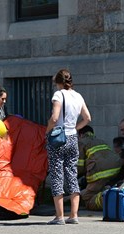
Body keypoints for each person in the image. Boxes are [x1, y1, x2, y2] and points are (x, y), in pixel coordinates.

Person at [45, 68, 92, 225]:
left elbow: (55, 117)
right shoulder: (78, 96)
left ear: (58, 82)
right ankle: (74, 215)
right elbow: (87, 118)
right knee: (72, 173)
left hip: (58, 137)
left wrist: (47, 130)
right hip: (72, 137)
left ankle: (59, 216)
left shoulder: (58, 95)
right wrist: (75, 129)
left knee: (57, 173)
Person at [76, 126, 122, 211]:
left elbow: (80, 165)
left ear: (81, 134)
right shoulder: (101, 141)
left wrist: (74, 176)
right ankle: (110, 192)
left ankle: (110, 200)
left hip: (100, 172)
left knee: (87, 198)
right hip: (115, 168)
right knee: (98, 188)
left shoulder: (81, 142)